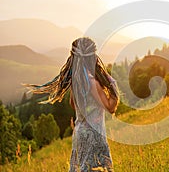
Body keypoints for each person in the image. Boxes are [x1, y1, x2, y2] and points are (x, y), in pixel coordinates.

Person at [25, 37, 119, 171]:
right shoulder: (93, 83)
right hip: (94, 135)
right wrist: (113, 86)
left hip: (80, 134)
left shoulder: (77, 81)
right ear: (92, 56)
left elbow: (73, 105)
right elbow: (111, 108)